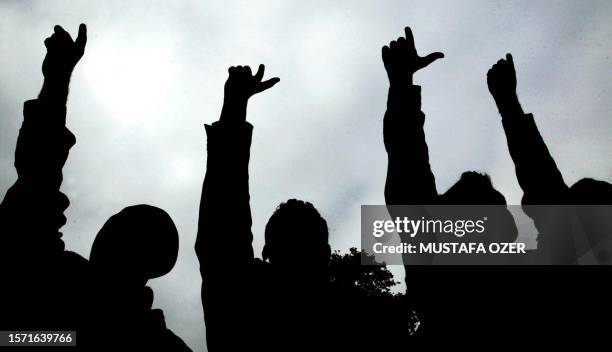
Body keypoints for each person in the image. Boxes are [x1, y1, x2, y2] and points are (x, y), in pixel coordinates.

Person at [0, 25, 189, 351]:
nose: (108, 227)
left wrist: (57, 79)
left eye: (121, 225)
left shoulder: (58, 286)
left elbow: (36, 188)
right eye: (116, 218)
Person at [196, 65, 408, 351]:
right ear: (326, 252)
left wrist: (234, 107)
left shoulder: (241, 296)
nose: (296, 204)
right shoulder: (366, 317)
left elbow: (223, 222)